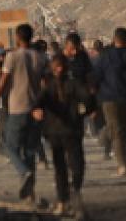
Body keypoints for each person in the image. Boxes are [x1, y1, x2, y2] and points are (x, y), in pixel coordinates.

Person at [0, 23, 46, 206]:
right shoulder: (40, 57)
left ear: (17, 37)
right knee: (30, 150)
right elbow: (45, 84)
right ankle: (30, 193)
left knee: (10, 146)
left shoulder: (12, 57)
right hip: (35, 108)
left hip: (17, 108)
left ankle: (23, 172)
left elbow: (3, 80)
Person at [34, 53, 95, 217]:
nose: (59, 69)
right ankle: (70, 194)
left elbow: (38, 102)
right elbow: (88, 98)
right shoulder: (70, 84)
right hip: (68, 131)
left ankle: (64, 200)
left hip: (57, 131)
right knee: (74, 165)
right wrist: (86, 111)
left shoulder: (51, 85)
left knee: (63, 167)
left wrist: (37, 110)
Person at [92, 27, 126, 176]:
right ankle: (125, 161)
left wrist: (94, 100)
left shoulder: (105, 58)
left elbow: (95, 78)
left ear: (114, 39)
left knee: (116, 131)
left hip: (110, 100)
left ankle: (122, 164)